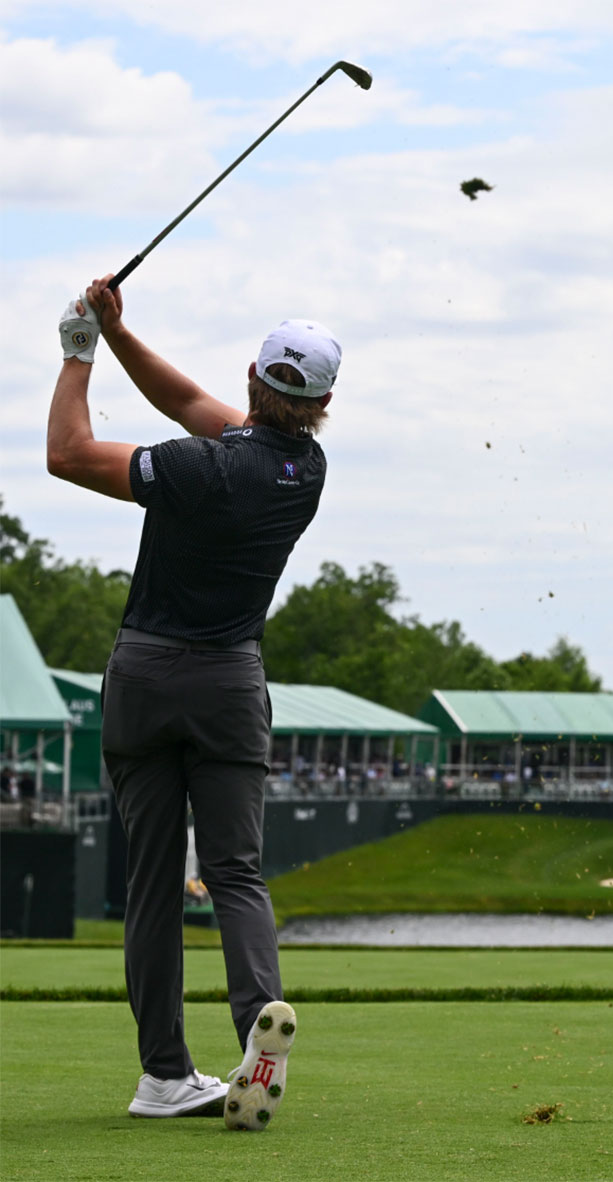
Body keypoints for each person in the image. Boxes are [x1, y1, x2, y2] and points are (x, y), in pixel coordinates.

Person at [46, 275, 326, 1130]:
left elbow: (67, 452)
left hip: (145, 677)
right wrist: (121, 335)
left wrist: (77, 352)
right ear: (319, 402)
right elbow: (188, 402)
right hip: (231, 685)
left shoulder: (191, 464)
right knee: (235, 871)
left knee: (152, 885)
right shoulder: (302, 470)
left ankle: (164, 1076)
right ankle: (255, 1026)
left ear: (253, 376)